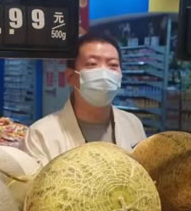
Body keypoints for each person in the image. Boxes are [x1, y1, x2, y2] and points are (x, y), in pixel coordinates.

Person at [22, 32, 146, 165]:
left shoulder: (133, 124)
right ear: (70, 76)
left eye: (113, 65)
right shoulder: (40, 135)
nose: (104, 74)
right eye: (92, 64)